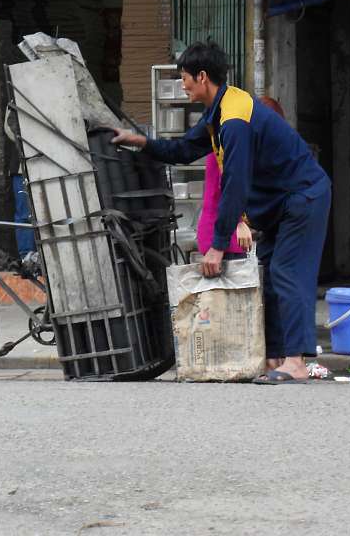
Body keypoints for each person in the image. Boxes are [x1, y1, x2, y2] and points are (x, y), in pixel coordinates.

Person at [112, 42, 331, 384]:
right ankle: (275, 357)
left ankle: (296, 361)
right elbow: (185, 148)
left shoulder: (234, 119)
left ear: (202, 76)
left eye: (185, 77)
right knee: (269, 276)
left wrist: (217, 245)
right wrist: (141, 142)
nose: (183, 85)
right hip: (281, 202)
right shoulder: (219, 111)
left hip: (303, 196)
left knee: (288, 273)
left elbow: (235, 185)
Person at [195, 97, 283, 258]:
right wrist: (239, 223)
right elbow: (228, 185)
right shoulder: (233, 139)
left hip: (220, 231)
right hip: (225, 234)